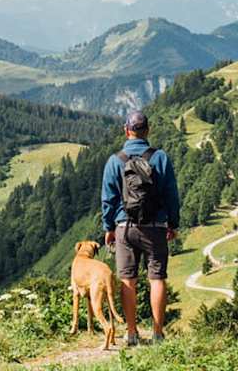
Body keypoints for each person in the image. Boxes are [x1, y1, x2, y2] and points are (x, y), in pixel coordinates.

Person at [100, 109, 181, 346]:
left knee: (128, 280)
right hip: (155, 227)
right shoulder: (160, 158)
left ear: (126, 131)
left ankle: (132, 333)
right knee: (157, 278)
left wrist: (109, 227)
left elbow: (108, 198)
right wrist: (172, 223)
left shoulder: (115, 160)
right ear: (148, 130)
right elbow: (171, 195)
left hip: (125, 227)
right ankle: (157, 333)